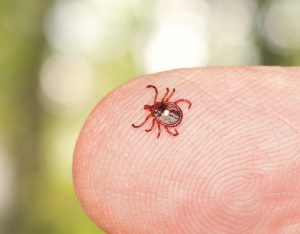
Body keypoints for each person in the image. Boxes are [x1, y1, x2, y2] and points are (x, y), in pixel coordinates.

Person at [73, 67, 300, 234]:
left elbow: (161, 123)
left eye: (153, 105)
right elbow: (169, 109)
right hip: (172, 116)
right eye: (153, 108)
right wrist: (166, 116)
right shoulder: (162, 107)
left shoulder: (158, 112)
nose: (151, 107)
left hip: (171, 118)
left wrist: (164, 122)